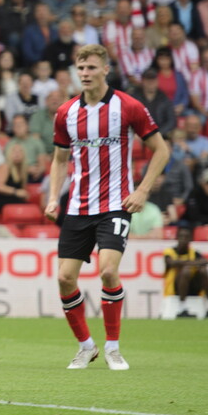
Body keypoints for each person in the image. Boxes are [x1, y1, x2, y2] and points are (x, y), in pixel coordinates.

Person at [43, 44, 170, 371]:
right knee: (64, 278)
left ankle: (113, 347)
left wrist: (141, 191)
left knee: (108, 270)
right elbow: (59, 159)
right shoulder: (66, 112)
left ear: (105, 70)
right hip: (78, 207)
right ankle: (87, 346)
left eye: (91, 68)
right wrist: (53, 196)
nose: (85, 73)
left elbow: (161, 150)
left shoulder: (128, 107)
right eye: (80, 68)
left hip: (115, 204)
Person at [161, 224, 208, 320]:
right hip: (175, 288)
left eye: (186, 237)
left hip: (193, 287)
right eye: (181, 236)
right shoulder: (169, 252)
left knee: (203, 271)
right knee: (186, 271)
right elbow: (171, 262)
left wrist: (185, 263)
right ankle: (182, 308)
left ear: (190, 239)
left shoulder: (193, 252)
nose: (183, 239)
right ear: (177, 238)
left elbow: (206, 261)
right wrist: (191, 263)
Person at [129, 68, 175, 138]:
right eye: (148, 80)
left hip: (160, 136)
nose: (151, 82)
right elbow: (128, 119)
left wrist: (158, 133)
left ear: (157, 81)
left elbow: (171, 121)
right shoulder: (133, 98)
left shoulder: (164, 98)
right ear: (143, 81)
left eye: (153, 79)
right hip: (138, 136)